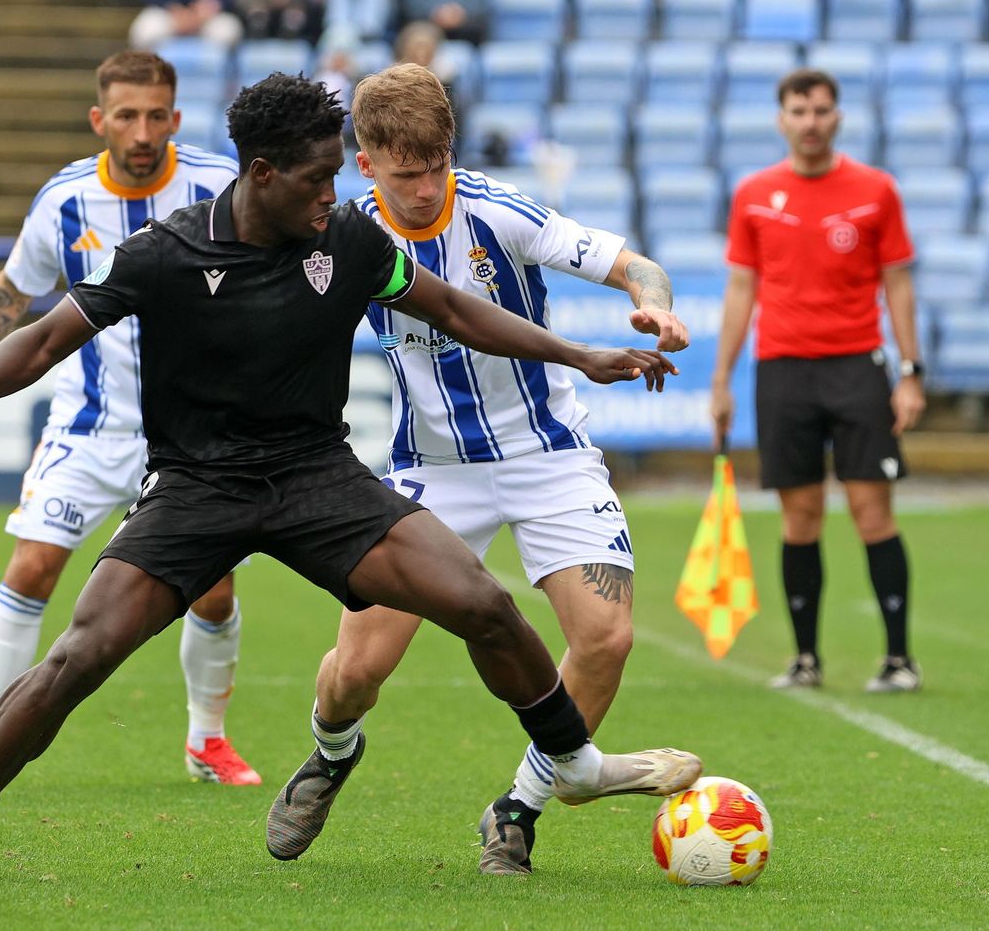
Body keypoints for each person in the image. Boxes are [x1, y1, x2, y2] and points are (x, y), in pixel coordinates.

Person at [0, 73, 700, 882]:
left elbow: (453, 309)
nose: (334, 194)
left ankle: (570, 761)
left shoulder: (345, 242)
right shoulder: (168, 251)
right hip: (196, 489)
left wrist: (581, 354)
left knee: (484, 604)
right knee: (80, 656)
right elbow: (45, 337)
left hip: (319, 479)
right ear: (263, 175)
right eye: (318, 178)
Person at [261, 63, 690, 875]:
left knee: (606, 637)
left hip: (549, 454)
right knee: (357, 669)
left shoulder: (499, 212)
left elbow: (633, 263)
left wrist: (655, 302)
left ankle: (518, 809)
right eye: (406, 172)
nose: (426, 188)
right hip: (432, 472)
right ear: (367, 164)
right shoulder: (344, 236)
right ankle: (329, 753)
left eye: (437, 166)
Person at [0, 51, 260, 793]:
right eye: (126, 115)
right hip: (90, 428)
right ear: (99, 119)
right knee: (31, 566)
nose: (142, 130)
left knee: (213, 589)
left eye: (157, 114)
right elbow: (10, 292)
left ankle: (208, 741)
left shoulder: (215, 188)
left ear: (176, 118)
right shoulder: (63, 200)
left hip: (193, 435)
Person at [710, 68, 927, 694]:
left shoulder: (876, 190)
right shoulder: (753, 193)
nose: (811, 122)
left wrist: (910, 372)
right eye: (800, 111)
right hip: (782, 370)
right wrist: (721, 380)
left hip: (858, 366)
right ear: (782, 119)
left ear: (838, 117)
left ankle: (898, 659)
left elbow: (899, 283)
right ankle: (805, 659)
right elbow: (742, 288)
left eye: (822, 111)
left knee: (871, 512)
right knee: (799, 517)